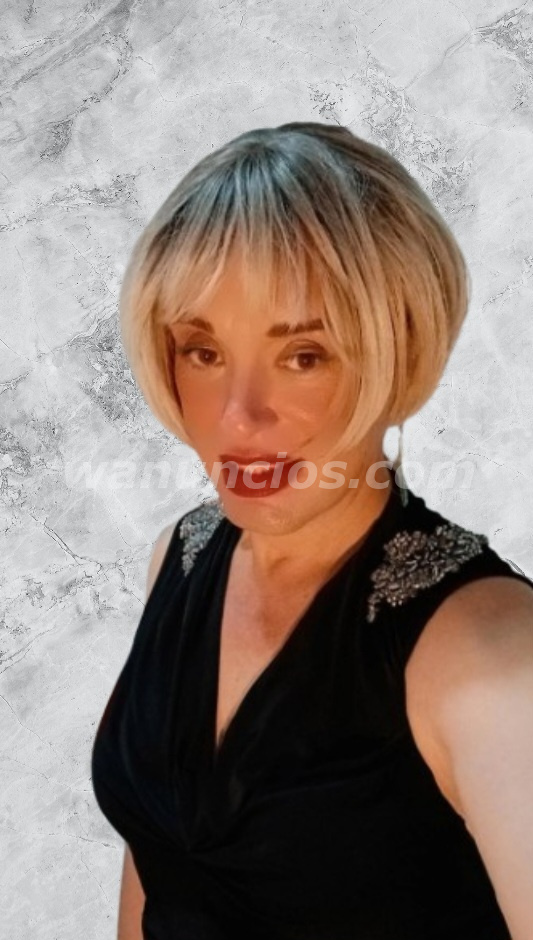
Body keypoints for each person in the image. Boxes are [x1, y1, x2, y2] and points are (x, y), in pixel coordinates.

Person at [91, 122, 533, 940]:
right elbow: (156, 869)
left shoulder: (487, 655)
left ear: (400, 350)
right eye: (202, 351)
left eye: (302, 355)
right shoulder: (180, 559)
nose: (238, 416)